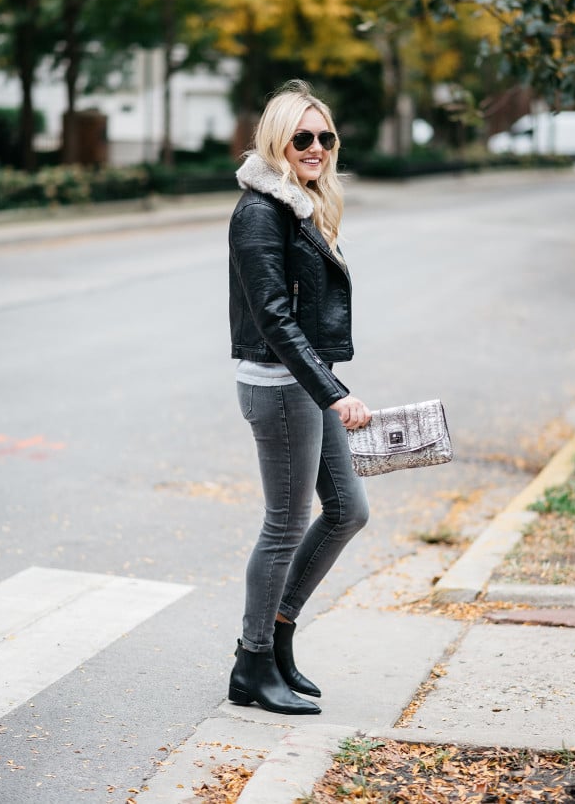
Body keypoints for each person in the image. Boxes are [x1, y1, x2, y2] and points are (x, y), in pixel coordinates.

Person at [227, 79, 371, 716]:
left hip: (306, 383)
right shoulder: (260, 211)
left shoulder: (302, 203)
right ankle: (251, 665)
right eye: (302, 138)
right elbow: (274, 319)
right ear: (276, 140)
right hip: (281, 388)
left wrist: (327, 387)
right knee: (284, 526)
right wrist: (334, 393)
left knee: (347, 512)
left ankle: (279, 639)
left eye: (325, 137)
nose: (316, 148)